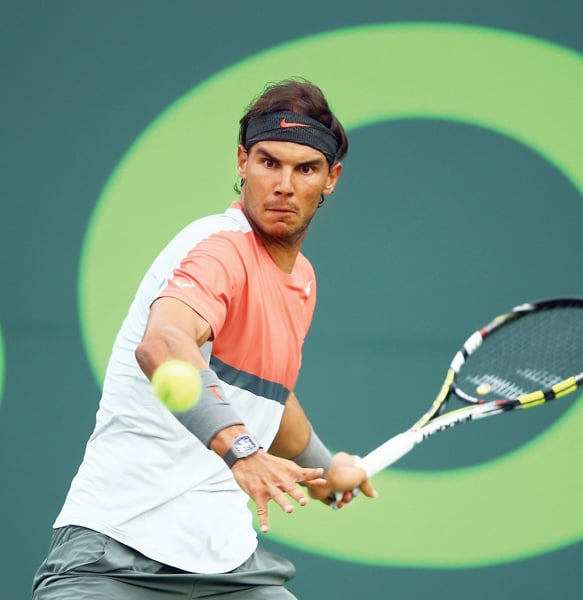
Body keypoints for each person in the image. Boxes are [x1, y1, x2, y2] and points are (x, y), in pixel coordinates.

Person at [32, 78, 375, 599]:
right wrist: (241, 451)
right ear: (242, 163)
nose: (283, 184)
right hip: (115, 556)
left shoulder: (300, 279)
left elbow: (269, 399)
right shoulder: (217, 248)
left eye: (305, 169)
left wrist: (326, 472)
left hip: (226, 567)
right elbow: (163, 346)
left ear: (331, 179)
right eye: (268, 162)